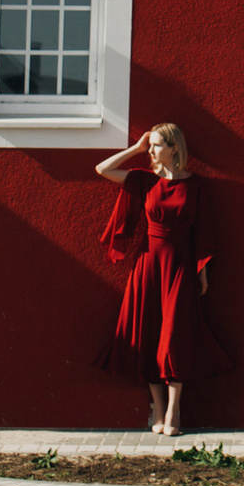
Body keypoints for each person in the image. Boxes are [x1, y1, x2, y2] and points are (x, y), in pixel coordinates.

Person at [95, 122, 232, 435]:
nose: (152, 150)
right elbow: (103, 168)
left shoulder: (196, 185)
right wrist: (136, 148)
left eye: (157, 145)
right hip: (147, 266)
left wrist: (203, 271)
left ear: (174, 148)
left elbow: (205, 232)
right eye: (151, 145)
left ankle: (174, 412)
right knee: (148, 334)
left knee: (174, 337)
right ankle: (158, 409)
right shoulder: (144, 180)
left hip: (180, 265)